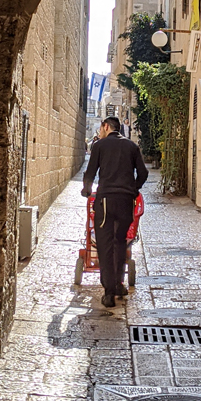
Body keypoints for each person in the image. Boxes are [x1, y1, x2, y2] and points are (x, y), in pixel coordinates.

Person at [81, 115, 148, 307]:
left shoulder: (100, 146)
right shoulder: (132, 147)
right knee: (120, 242)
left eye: (101, 129)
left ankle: (109, 292)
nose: (100, 132)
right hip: (126, 202)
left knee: (105, 244)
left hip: (106, 202)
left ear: (105, 126)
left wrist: (86, 190)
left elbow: (91, 172)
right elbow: (143, 173)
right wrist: (133, 190)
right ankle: (119, 284)